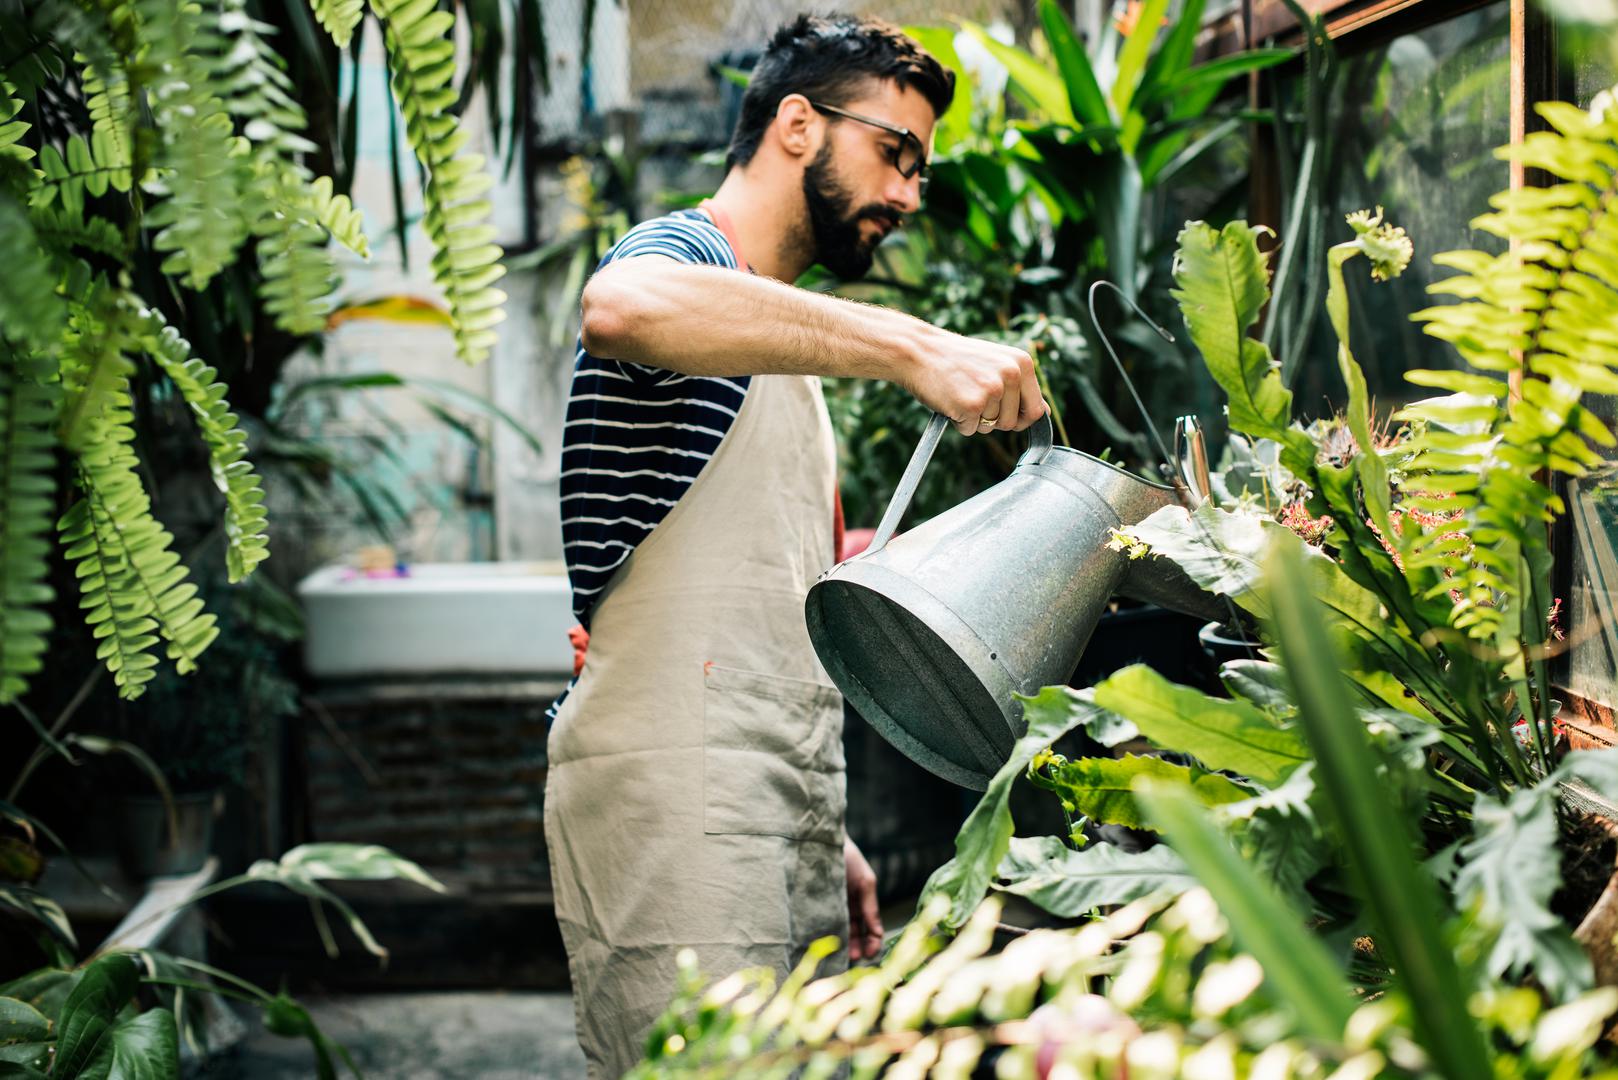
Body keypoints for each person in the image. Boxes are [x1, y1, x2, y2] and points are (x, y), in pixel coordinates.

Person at [543, 13, 1047, 1076]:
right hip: (674, 796)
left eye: (919, 169)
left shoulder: (780, 346)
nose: (909, 193)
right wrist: (915, 347)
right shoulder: (684, 258)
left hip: (782, 802)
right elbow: (618, 306)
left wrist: (825, 823)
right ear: (798, 125)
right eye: (895, 153)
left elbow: (769, 625)